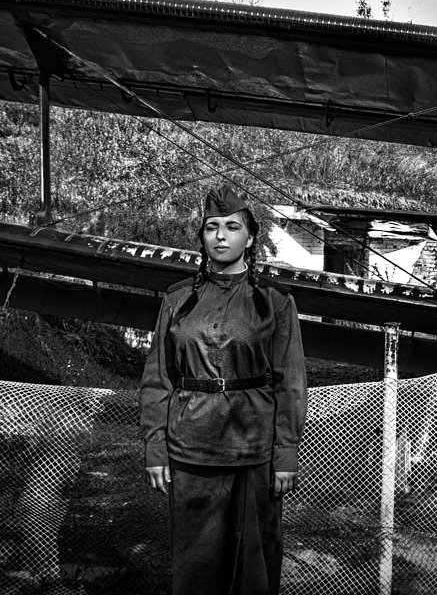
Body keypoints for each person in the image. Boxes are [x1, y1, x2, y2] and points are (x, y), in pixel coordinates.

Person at [140, 186, 307, 595]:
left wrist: (285, 454)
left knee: (255, 567)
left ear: (249, 238)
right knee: (196, 567)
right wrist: (155, 447)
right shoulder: (178, 299)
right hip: (191, 448)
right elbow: (158, 377)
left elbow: (290, 383)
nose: (220, 235)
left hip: (254, 449)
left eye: (232, 227)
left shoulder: (273, 302)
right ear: (202, 237)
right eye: (211, 227)